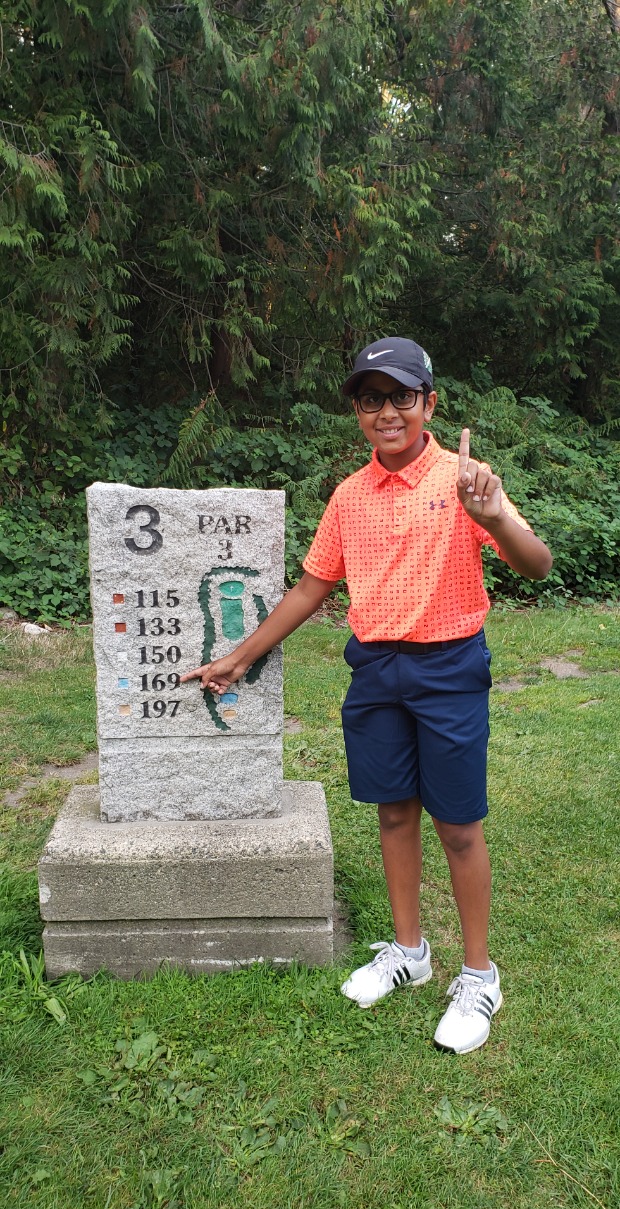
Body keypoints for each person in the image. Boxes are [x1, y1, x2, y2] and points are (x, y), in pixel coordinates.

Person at [180, 337, 553, 1054]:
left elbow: (536, 564)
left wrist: (495, 515)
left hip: (449, 669)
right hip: (376, 671)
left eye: (401, 397)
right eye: (370, 399)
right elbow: (311, 588)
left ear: (428, 404)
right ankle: (410, 951)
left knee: (459, 825)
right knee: (393, 811)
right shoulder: (350, 496)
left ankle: (480, 975)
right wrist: (239, 656)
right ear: (357, 411)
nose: (387, 412)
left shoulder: (465, 481)